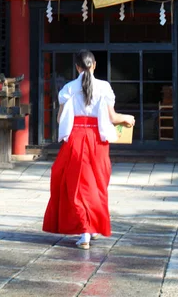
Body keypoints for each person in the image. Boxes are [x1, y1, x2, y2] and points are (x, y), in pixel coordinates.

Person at [42, 50, 135, 250]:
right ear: (94, 65)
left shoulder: (68, 89)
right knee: (96, 184)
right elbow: (112, 117)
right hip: (97, 140)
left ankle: (86, 230)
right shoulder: (104, 87)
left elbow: (60, 119)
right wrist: (127, 118)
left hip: (75, 139)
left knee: (77, 184)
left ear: (77, 67)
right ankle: (89, 229)